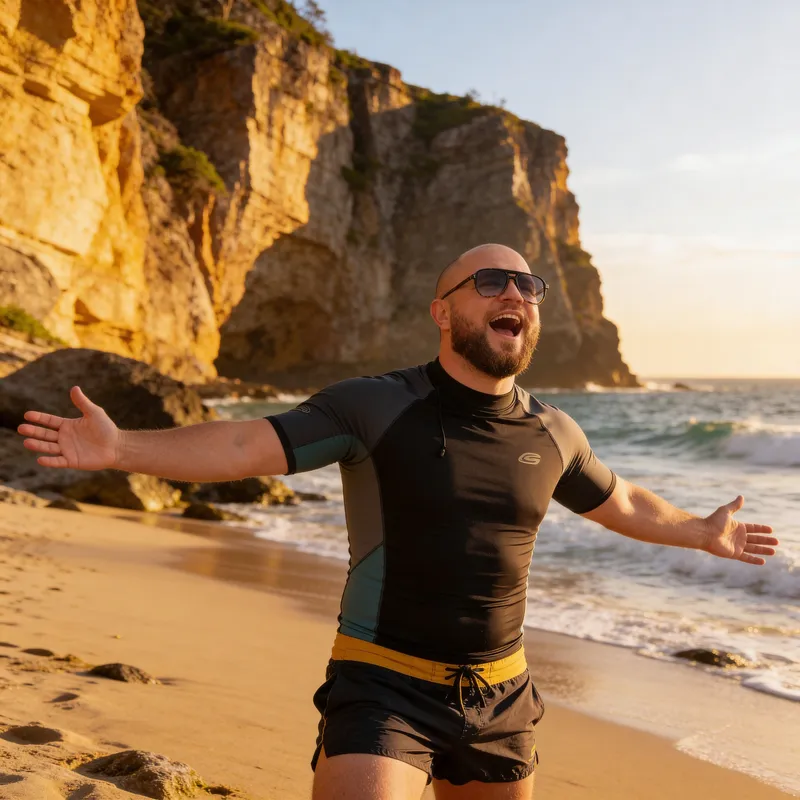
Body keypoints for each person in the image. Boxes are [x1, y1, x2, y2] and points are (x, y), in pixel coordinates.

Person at [16, 243, 779, 800]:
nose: (514, 291)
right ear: (444, 312)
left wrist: (697, 530)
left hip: (503, 696)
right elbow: (252, 442)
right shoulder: (374, 404)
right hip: (385, 687)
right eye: (490, 280)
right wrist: (122, 449)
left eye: (527, 284)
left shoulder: (556, 432)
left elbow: (626, 502)